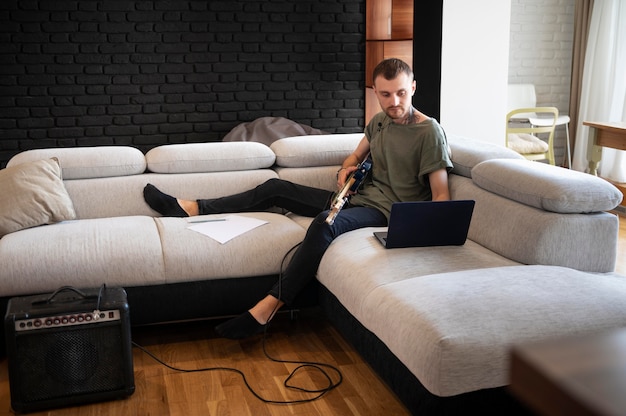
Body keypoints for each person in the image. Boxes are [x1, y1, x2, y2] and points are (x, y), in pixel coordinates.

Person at [143, 58, 453, 339]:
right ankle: (192, 208)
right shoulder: (380, 122)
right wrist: (346, 170)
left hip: (385, 213)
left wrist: (421, 238)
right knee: (275, 188)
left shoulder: (429, 133)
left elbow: (440, 196)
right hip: (358, 197)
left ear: (413, 87)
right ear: (376, 92)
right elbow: (356, 155)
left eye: (401, 93)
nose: (394, 102)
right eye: (385, 95)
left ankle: (268, 307)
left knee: (323, 223)